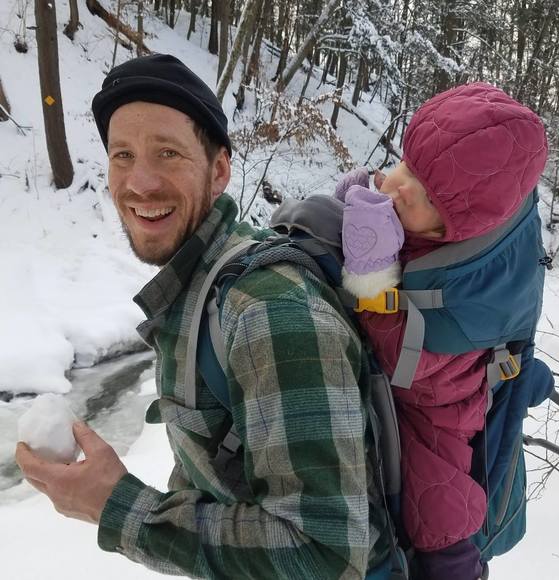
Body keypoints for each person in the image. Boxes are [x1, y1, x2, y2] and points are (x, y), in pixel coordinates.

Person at [15, 54, 389, 579]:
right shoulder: (200, 287)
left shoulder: (267, 312)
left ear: (219, 171)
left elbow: (325, 557)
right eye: (123, 155)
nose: (140, 182)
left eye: (167, 153)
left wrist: (114, 506)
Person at [334, 82, 548, 580]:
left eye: (428, 196)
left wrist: (373, 283)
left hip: (443, 395)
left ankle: (456, 563)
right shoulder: (415, 219)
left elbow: (407, 367)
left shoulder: (467, 288)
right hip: (437, 364)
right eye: (409, 166)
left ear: (455, 230)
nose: (402, 187)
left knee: (439, 492)